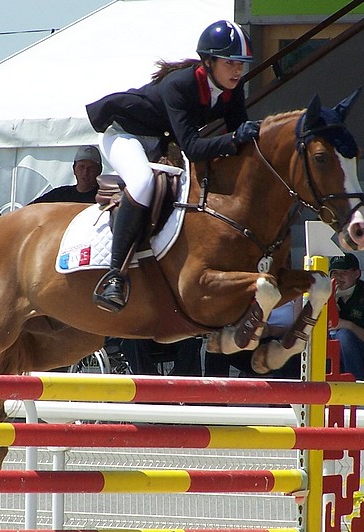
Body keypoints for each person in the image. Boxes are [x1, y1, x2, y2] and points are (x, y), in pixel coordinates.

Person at [86, 20, 260, 313]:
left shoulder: (233, 88)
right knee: (142, 182)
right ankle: (115, 275)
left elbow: (239, 135)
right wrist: (233, 139)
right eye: (230, 62)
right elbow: (193, 146)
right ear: (209, 61)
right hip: (125, 134)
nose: (238, 71)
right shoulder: (181, 84)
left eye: (241, 64)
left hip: (162, 141)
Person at [329, 253, 364, 381]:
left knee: (344, 334)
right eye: (334, 273)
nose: (338, 277)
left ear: (356, 274)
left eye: (344, 272)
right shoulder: (326, 297)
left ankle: (355, 384)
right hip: (334, 357)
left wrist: (348, 325)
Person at [30, 146, 103, 205]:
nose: (85, 172)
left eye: (91, 168)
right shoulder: (61, 195)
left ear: (99, 170)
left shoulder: (104, 197)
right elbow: (31, 208)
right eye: (81, 167)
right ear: (74, 169)